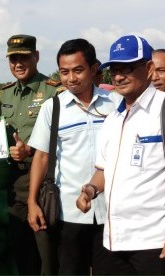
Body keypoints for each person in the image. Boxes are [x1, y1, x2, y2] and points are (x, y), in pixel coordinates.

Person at [76, 34, 165, 274]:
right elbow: (104, 170)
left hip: (157, 241)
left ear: (148, 68)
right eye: (114, 70)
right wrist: (91, 189)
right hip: (113, 239)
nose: (119, 76)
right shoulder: (113, 118)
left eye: (127, 68)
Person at [27, 39, 121, 275]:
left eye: (78, 70)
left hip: (113, 209)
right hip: (69, 211)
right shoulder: (53, 107)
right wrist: (31, 202)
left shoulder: (116, 103)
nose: (71, 78)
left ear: (93, 69)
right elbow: (41, 156)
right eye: (64, 72)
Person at [0, 34, 63, 275]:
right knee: (22, 253)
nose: (18, 64)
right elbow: (3, 138)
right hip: (15, 182)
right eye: (13, 59)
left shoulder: (54, 92)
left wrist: (30, 150)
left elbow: (64, 139)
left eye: (23, 57)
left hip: (44, 182)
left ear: (36, 57)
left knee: (47, 255)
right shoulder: (6, 94)